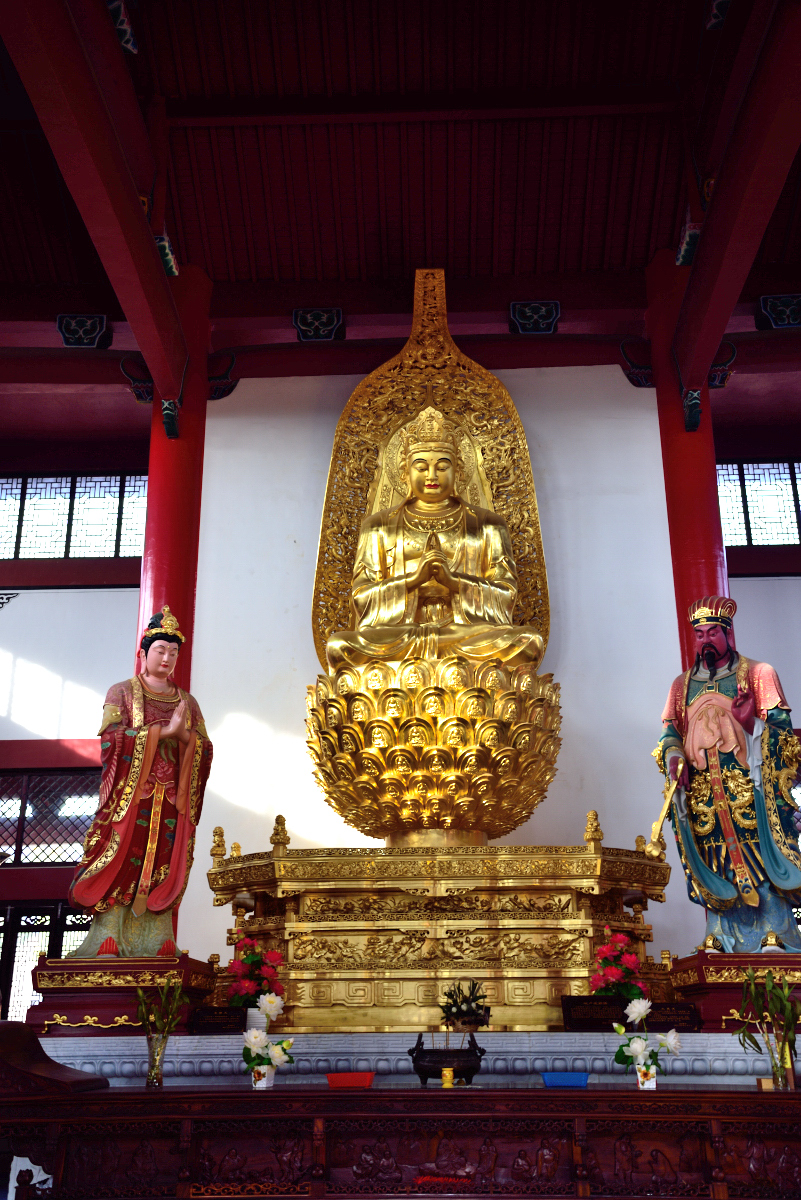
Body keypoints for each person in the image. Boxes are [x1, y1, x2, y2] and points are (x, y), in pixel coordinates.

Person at [326, 406, 543, 671]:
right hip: (401, 635)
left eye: (442, 467)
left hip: (466, 633)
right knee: (339, 647)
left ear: (459, 472)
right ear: (405, 472)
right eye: (421, 467)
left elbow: (507, 593)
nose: (431, 476)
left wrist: (454, 583)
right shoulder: (378, 526)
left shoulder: (488, 524)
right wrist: (413, 581)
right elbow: (361, 595)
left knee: (528, 642)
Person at [656, 596, 801, 951]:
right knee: (713, 855)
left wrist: (749, 720)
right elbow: (670, 733)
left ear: (727, 634)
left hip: (750, 788)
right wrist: (674, 757)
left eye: (712, 633)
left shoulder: (757, 674)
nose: (705, 640)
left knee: (759, 852)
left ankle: (775, 932)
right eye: (699, 634)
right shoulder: (681, 685)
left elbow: (783, 733)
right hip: (704, 793)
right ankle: (722, 935)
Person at [69, 607, 213, 957]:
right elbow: (109, 741)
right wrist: (163, 732)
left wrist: (185, 740)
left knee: (165, 859)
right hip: (131, 796)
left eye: (173, 653)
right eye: (160, 651)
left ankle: (157, 934)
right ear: (144, 654)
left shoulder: (187, 702)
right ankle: (108, 932)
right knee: (122, 855)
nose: (167, 658)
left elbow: (205, 749)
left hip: (170, 799)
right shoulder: (121, 692)